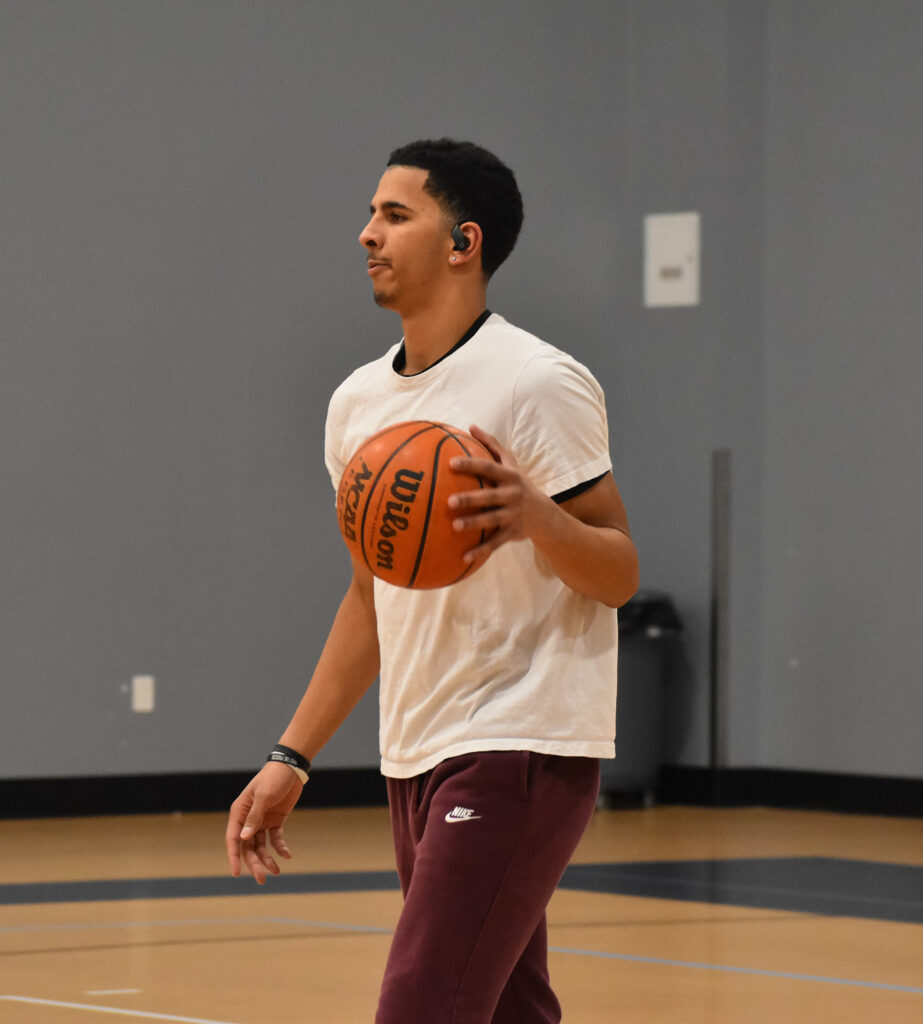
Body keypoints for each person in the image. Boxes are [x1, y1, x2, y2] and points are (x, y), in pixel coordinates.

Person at [225, 138, 639, 1023]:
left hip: (519, 741)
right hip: (415, 746)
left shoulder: (537, 383)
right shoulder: (357, 406)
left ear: (464, 243)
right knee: (504, 1009)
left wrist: (537, 516)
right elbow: (369, 596)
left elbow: (617, 571)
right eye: (372, 213)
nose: (366, 233)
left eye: (395, 214)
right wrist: (290, 757)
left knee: (422, 1007)